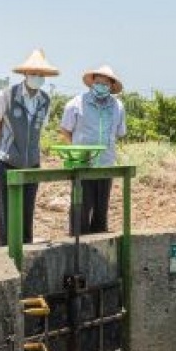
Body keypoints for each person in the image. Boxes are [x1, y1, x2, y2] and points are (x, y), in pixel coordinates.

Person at [0, 49, 58, 246]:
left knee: (27, 209)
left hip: (32, 163)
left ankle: (26, 249)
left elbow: (39, 129)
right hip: (7, 160)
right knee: (7, 210)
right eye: (34, 73)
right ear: (26, 74)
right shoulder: (7, 95)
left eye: (41, 74)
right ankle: (6, 251)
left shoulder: (45, 100)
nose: (38, 77)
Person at [59, 65, 127, 235]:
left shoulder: (118, 107)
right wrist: (75, 152)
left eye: (105, 84)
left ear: (111, 87)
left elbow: (120, 132)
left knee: (101, 210)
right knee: (80, 210)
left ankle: (100, 247)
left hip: (106, 165)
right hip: (83, 164)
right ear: (91, 84)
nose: (101, 87)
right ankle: (77, 246)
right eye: (98, 82)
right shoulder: (75, 104)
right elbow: (65, 131)